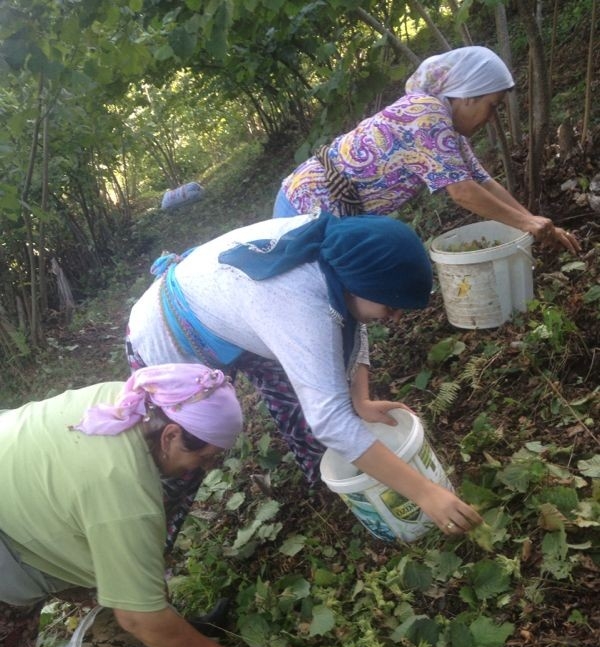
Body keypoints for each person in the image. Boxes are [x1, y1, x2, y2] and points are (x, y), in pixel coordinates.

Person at [126, 212, 483, 544]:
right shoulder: (297, 305)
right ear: (356, 285)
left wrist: (360, 399)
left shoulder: (340, 251)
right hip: (169, 338)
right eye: (391, 308)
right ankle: (145, 553)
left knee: (303, 396)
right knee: (185, 454)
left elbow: (352, 321)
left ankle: (329, 480)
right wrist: (425, 493)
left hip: (231, 307)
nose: (395, 319)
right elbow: (329, 420)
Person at [0, 364, 287, 647]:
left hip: (20, 474)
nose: (198, 471)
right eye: (202, 458)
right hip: (8, 543)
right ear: (169, 436)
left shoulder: (125, 400)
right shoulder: (124, 495)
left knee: (140, 587)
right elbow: (139, 617)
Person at [273, 46, 580, 255]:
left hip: (334, 213)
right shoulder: (427, 114)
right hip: (308, 205)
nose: (491, 118)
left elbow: (483, 182)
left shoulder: (446, 127)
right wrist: (528, 224)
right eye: (492, 106)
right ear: (468, 96)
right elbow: (462, 192)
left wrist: (537, 225)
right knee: (327, 304)